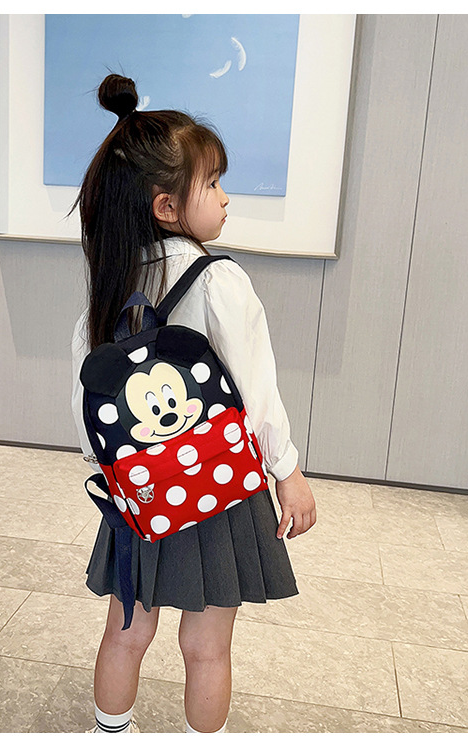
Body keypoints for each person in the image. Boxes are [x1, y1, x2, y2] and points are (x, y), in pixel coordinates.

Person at [70, 74, 316, 734]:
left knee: (125, 633)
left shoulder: (110, 290)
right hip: (220, 492)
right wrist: (287, 471)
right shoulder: (220, 281)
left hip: (141, 496)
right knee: (207, 649)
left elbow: (88, 409)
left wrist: (120, 477)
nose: (225, 197)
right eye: (212, 183)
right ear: (167, 206)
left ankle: (109, 737)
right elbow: (256, 393)